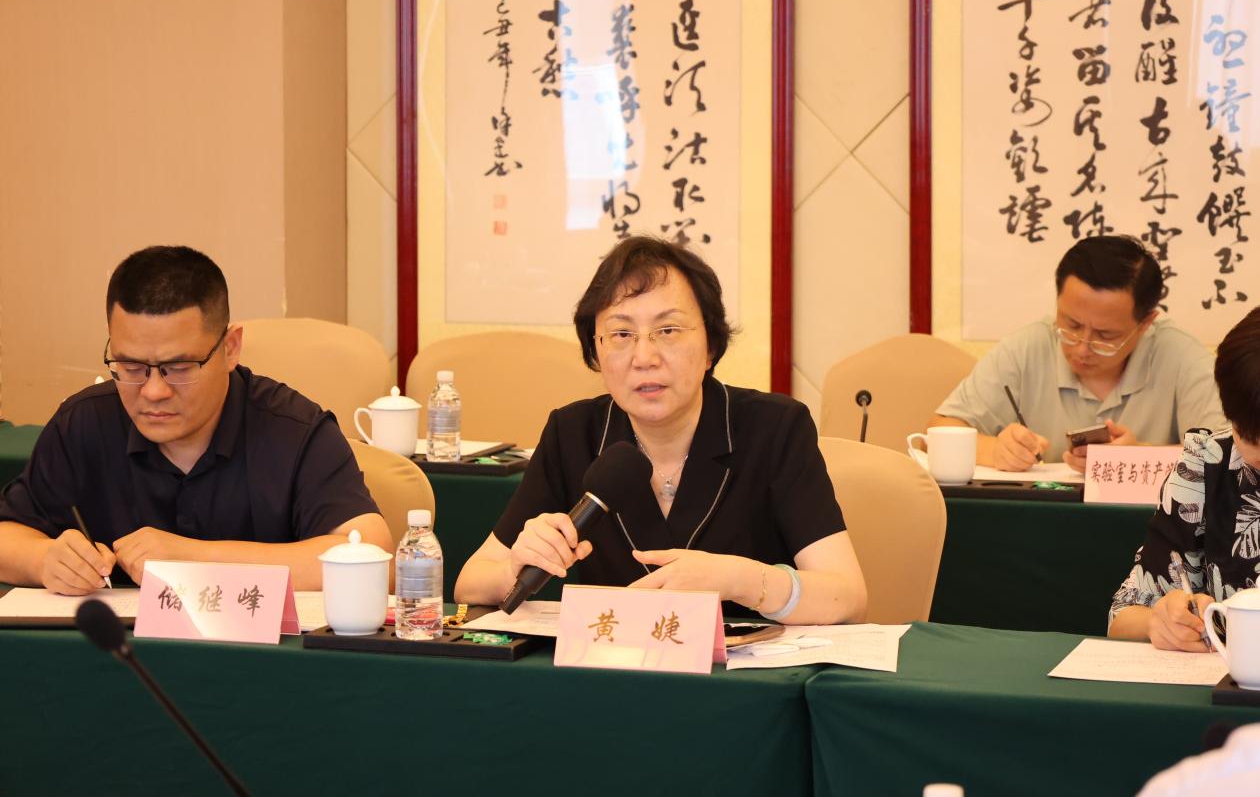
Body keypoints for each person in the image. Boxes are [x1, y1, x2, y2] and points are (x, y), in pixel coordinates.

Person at [454, 236, 867, 624]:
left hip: (743, 670)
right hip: (612, 667)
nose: (644, 357)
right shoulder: (573, 433)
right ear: (596, 351)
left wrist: (738, 580)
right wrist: (515, 567)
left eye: (667, 331)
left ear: (710, 345)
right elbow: (469, 583)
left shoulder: (774, 428)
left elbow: (847, 596)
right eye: (621, 334)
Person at [0, 246, 390, 595]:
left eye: (179, 367)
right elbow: (8, 536)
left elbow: (375, 560)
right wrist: (45, 560)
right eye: (130, 366)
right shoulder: (84, 424)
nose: (153, 391)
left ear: (230, 348)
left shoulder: (293, 431)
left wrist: (194, 558)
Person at [931, 236, 1225, 471]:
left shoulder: (1181, 356)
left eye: (1106, 336)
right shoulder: (1026, 348)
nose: (1082, 348)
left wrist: (1141, 457)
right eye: (1071, 325)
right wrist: (995, 450)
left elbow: (1229, 455)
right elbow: (937, 432)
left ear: (1146, 323)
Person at [1108, 306, 1260, 651]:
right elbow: (1121, 617)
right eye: (1246, 434)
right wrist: (1160, 621)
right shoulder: (1206, 465)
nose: (1255, 457)